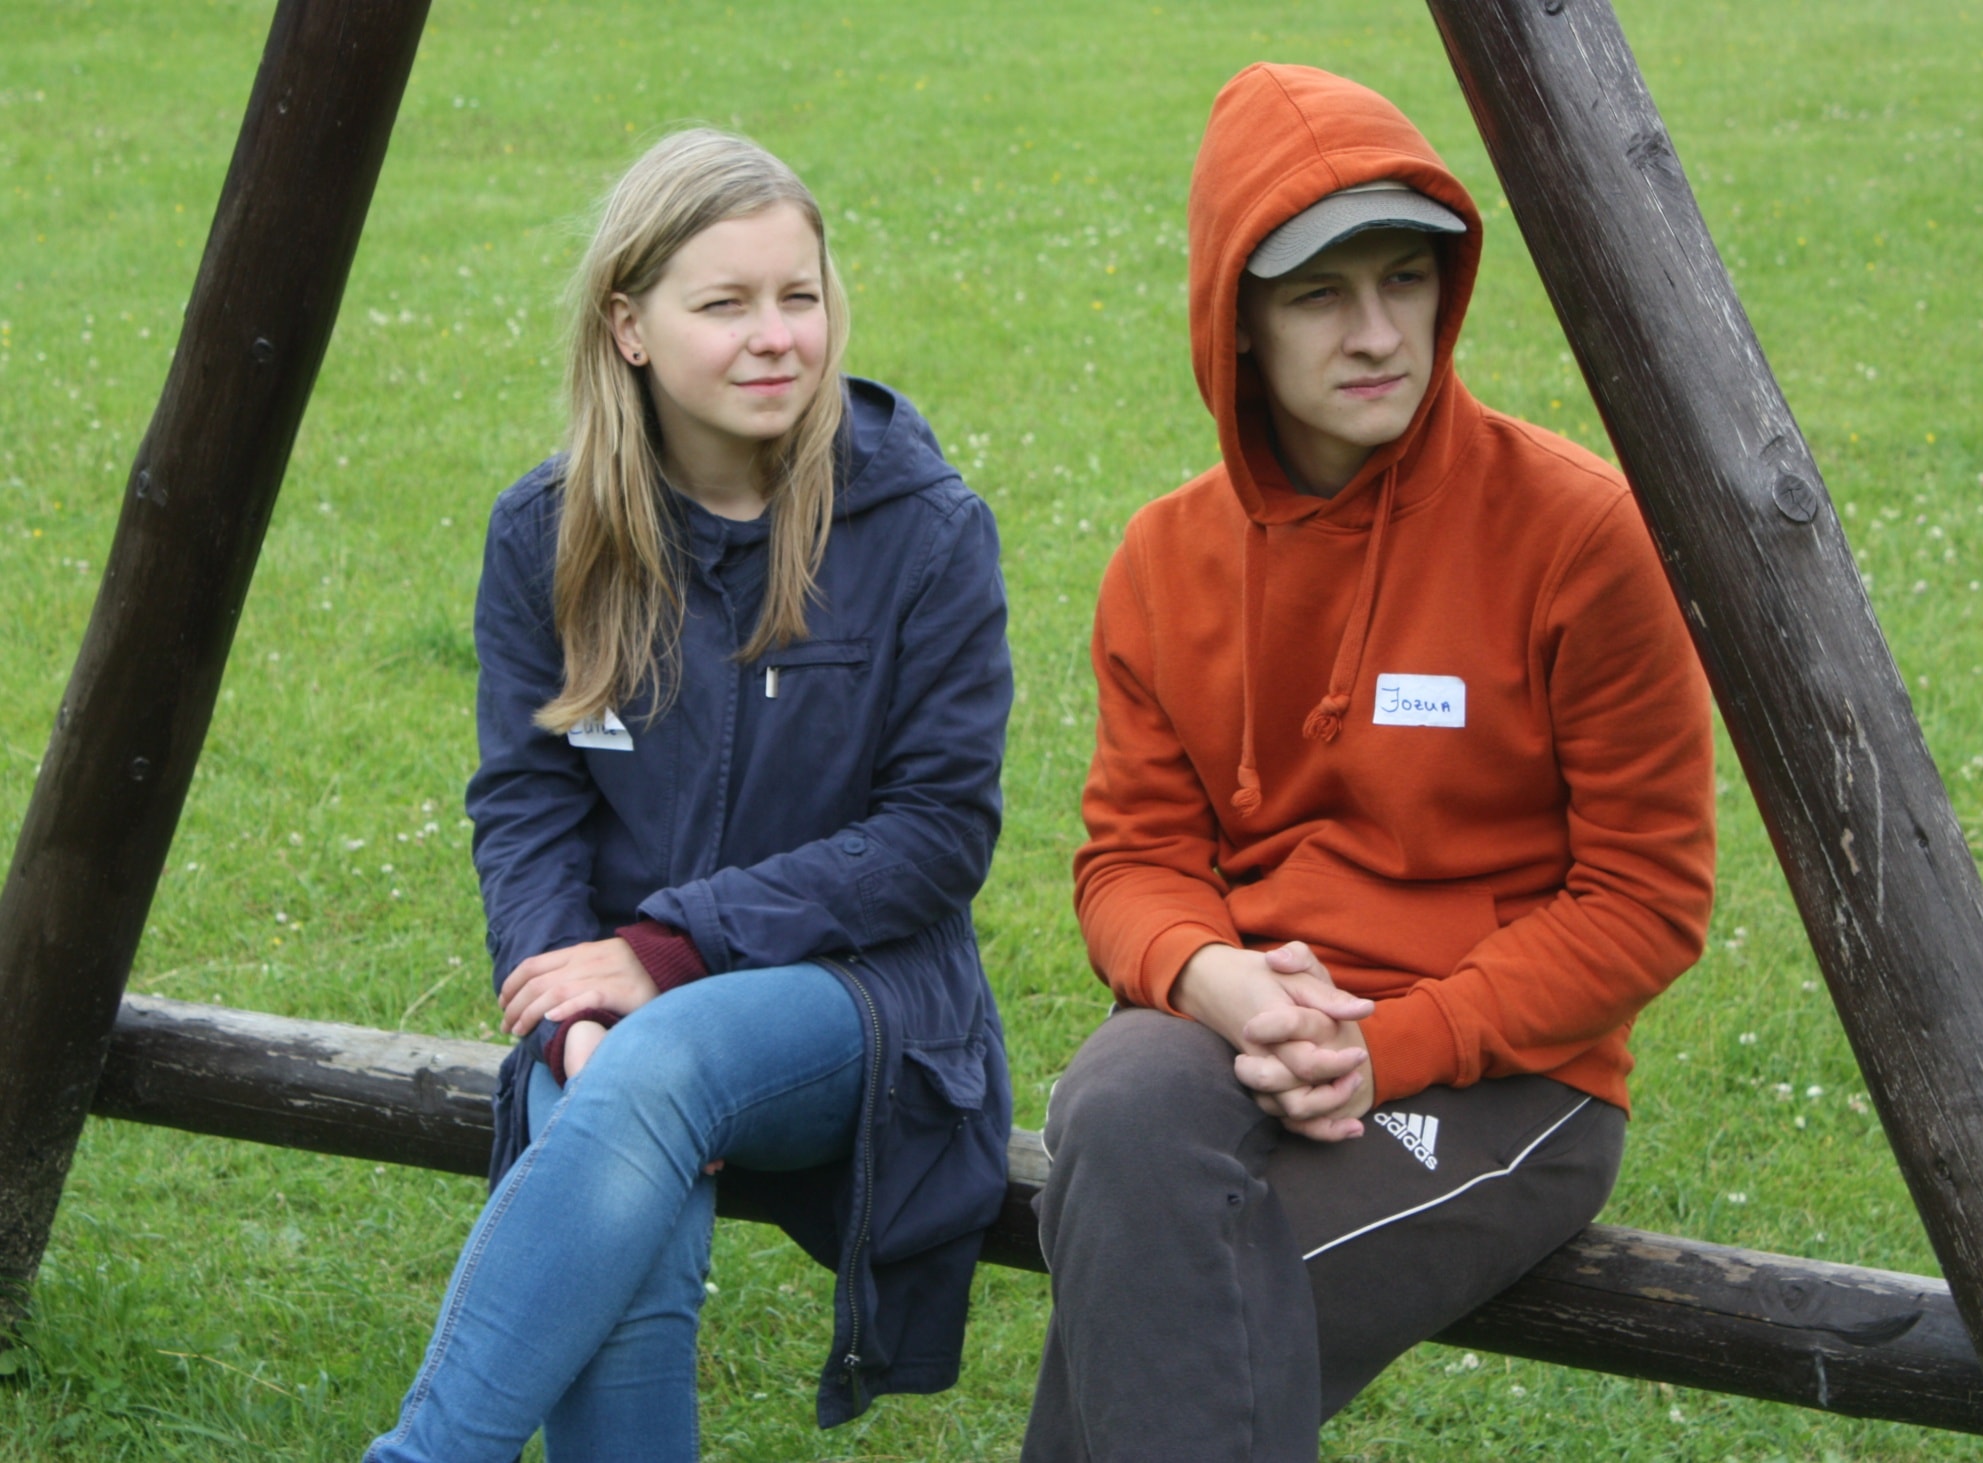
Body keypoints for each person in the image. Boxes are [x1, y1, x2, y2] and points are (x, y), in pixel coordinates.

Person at [1023, 64, 1716, 1461]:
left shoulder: (1582, 536)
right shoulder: (1165, 559)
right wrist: (1213, 980)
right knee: (1116, 1099)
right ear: (1236, 321)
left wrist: (1389, 1045)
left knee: (1181, 1317)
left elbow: (1647, 899)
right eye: (1320, 296)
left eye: (1406, 279)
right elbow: (1133, 861)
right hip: (1248, 1018)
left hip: (1505, 1074)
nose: (1379, 333)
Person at [365, 128, 1012, 1463]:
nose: (777, 337)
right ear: (630, 327)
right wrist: (565, 1004)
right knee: (622, 1152)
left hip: (867, 1002)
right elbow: (527, 804)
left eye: (799, 296)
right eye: (725, 304)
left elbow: (936, 837)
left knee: (655, 1066)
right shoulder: (546, 534)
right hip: (620, 998)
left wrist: (670, 955)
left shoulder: (925, 529)